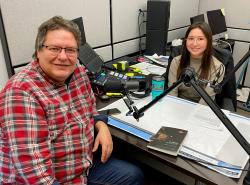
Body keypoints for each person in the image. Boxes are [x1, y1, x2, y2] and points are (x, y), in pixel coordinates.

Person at [0, 16, 144, 185]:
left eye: (70, 50)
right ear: (38, 51)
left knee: (133, 176)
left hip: (81, 167)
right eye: (54, 48)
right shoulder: (21, 92)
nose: (63, 56)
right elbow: (35, 175)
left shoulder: (78, 72)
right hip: (51, 179)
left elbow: (90, 108)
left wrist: (101, 125)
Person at [168, 22, 225, 105]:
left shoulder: (217, 67)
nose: (194, 43)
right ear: (186, 40)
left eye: (200, 39)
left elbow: (205, 102)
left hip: (201, 108)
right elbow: (172, 94)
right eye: (191, 38)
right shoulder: (176, 62)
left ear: (208, 41)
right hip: (178, 104)